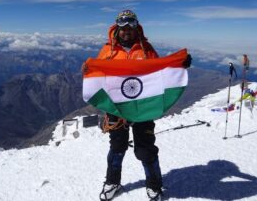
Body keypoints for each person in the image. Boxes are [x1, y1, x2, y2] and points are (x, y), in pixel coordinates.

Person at [82, 10, 191, 201]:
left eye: (130, 26)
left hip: (143, 107)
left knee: (145, 148)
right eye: (122, 27)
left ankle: (154, 186)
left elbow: (160, 71)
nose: (126, 30)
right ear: (117, 28)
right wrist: (88, 71)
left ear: (136, 27)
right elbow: (100, 74)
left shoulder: (146, 49)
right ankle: (112, 182)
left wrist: (180, 65)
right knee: (117, 146)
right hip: (117, 107)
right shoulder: (108, 50)